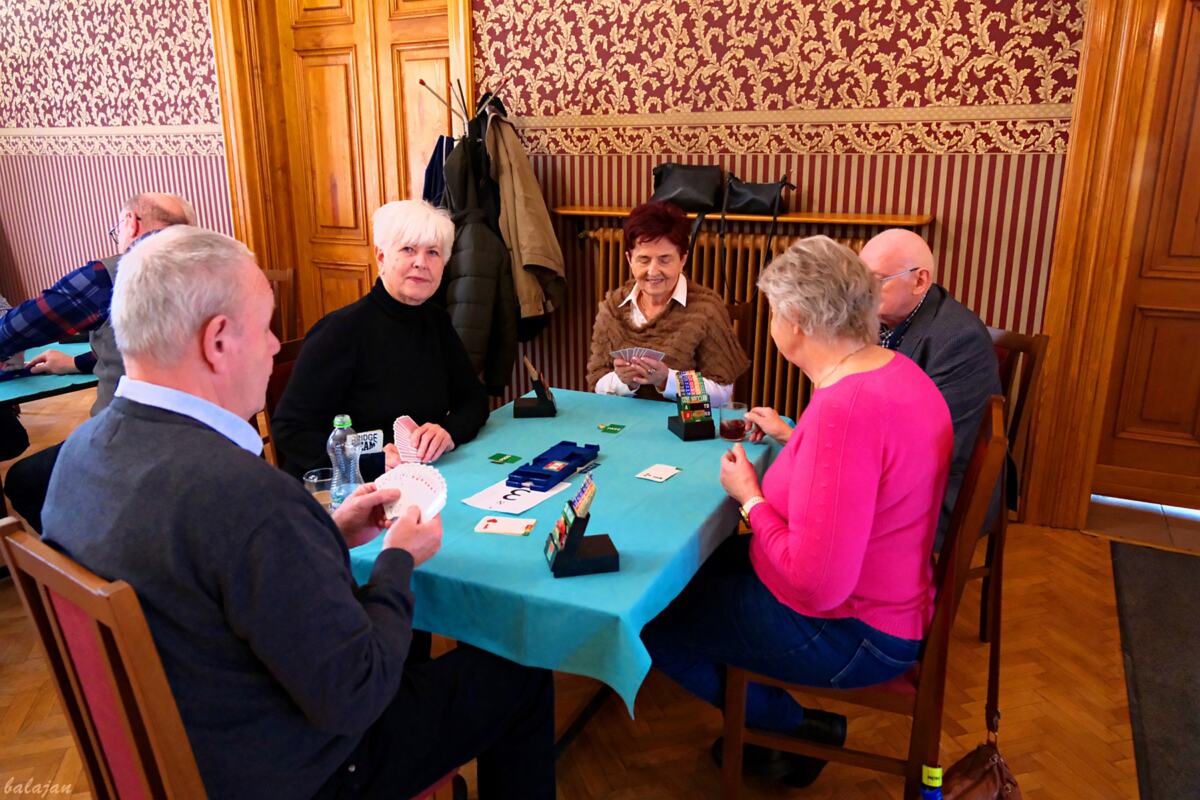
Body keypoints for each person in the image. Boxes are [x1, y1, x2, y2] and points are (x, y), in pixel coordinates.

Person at [41, 226, 555, 800]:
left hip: (181, 745)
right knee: (521, 670)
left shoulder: (75, 456)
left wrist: (327, 532)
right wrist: (396, 560)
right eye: (265, 327)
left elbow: (210, 576)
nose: (273, 346)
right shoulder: (247, 497)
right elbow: (357, 692)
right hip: (302, 770)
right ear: (217, 341)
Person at [642, 236, 953, 789]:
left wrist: (751, 498)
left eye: (772, 312)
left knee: (648, 616)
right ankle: (779, 722)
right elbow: (867, 472)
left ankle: (789, 727)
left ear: (798, 323)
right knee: (679, 570)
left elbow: (816, 585)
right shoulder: (893, 371)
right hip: (892, 600)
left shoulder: (845, 410)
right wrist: (795, 437)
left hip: (854, 632)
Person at [2, 192, 195, 532]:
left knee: (24, 480)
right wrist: (75, 363)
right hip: (210, 432)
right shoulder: (211, 267)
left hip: (132, 440)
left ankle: (92, 552)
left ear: (130, 223)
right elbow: (144, 345)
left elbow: (12, 331)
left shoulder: (106, 278)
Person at [273, 199, 488, 479]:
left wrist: (448, 432)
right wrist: (364, 460)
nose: (421, 263)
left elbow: (473, 400)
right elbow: (289, 430)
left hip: (421, 477)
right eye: (408, 249)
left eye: (433, 252)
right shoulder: (339, 331)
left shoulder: (437, 321)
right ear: (381, 256)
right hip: (349, 486)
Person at [857, 228, 1002, 542]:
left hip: (942, 493)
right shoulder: (880, 319)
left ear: (920, 281)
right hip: (894, 468)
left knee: (826, 512)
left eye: (876, 280)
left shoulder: (959, 340)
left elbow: (935, 449)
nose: (863, 292)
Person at [586, 201, 749, 406]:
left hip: (687, 421)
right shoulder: (613, 307)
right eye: (644, 259)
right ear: (629, 259)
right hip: (625, 419)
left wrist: (667, 380)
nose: (653, 271)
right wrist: (624, 382)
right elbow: (596, 382)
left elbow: (722, 391)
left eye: (664, 259)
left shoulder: (706, 309)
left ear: (682, 259)